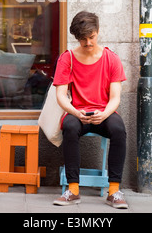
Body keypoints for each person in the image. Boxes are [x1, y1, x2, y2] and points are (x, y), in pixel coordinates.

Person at [52, 11, 128, 209]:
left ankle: (114, 191)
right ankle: (73, 190)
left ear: (98, 32)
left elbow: (115, 98)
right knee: (69, 126)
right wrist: (75, 112)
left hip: (104, 112)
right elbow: (60, 96)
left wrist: (105, 113)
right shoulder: (67, 59)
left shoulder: (112, 59)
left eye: (91, 37)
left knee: (119, 129)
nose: (88, 43)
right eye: (83, 39)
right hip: (77, 112)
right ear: (77, 38)